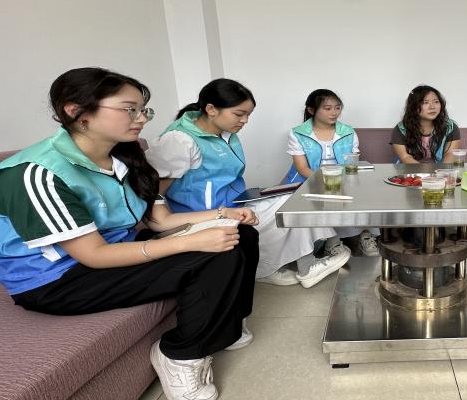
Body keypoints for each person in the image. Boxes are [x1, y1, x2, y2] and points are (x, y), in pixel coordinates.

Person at [0, 68, 260, 400]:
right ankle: (180, 354)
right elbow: (93, 255)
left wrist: (222, 215)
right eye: (129, 109)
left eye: (143, 110)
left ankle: (227, 325)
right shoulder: (37, 173)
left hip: (110, 252)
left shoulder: (124, 157)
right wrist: (187, 243)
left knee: (239, 233)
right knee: (213, 255)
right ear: (76, 111)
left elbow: (160, 219)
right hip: (56, 280)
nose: (142, 119)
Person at [146, 79, 346, 289]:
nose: (245, 120)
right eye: (239, 114)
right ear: (211, 109)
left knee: (297, 198)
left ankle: (282, 266)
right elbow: (154, 196)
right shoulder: (179, 141)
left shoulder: (226, 134)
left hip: (234, 204)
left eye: (248, 115)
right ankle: (295, 268)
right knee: (287, 209)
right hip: (203, 217)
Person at [284, 89, 380, 273]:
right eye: (327, 108)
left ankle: (366, 235)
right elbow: (301, 168)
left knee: (364, 193)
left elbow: (353, 161)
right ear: (312, 110)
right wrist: (326, 181)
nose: (334, 112)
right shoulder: (298, 133)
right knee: (321, 197)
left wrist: (345, 180)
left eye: (337, 108)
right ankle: (332, 241)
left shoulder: (348, 132)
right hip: (308, 179)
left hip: (342, 178)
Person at [391, 85, 461, 163]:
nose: (432, 107)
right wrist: (423, 171)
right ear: (414, 106)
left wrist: (441, 170)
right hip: (410, 169)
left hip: (440, 169)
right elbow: (405, 157)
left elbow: (450, 155)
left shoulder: (450, 127)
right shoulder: (401, 129)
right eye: (425, 102)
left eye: (436, 102)